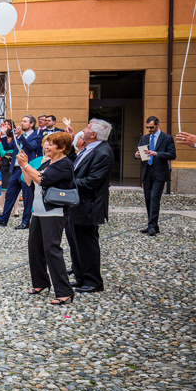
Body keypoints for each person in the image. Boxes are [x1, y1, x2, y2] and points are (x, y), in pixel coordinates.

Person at [18, 132, 76, 305]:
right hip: (39, 210)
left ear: (62, 148)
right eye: (46, 143)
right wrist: (24, 165)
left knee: (52, 250)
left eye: (51, 144)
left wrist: (26, 165)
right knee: (34, 248)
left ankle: (64, 291)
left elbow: (43, 180)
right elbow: (29, 181)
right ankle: (41, 282)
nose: (47, 146)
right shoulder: (47, 162)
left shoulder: (65, 164)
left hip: (54, 212)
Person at [70, 119, 114, 294]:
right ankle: (81, 277)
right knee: (77, 244)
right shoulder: (89, 149)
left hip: (89, 206)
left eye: (87, 128)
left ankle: (94, 281)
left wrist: (68, 183)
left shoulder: (103, 152)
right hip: (78, 204)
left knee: (88, 245)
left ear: (93, 134)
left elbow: (92, 181)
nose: (84, 130)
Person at [0, 115, 42, 230]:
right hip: (16, 170)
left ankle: (26, 221)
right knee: (10, 195)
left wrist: (19, 137)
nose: (22, 123)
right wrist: (3, 134)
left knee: (27, 197)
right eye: (22, 121)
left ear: (31, 124)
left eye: (25, 121)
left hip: (27, 171)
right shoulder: (19, 137)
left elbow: (31, 147)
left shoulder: (36, 137)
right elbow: (8, 146)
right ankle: (3, 219)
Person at [135, 116, 176, 237]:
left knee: (154, 198)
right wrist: (137, 155)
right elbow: (137, 152)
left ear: (158, 125)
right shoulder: (144, 138)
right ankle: (153, 225)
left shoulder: (167, 138)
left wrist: (156, 153)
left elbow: (172, 154)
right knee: (148, 198)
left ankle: (152, 225)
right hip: (147, 171)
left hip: (160, 173)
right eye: (147, 127)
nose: (149, 129)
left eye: (151, 127)